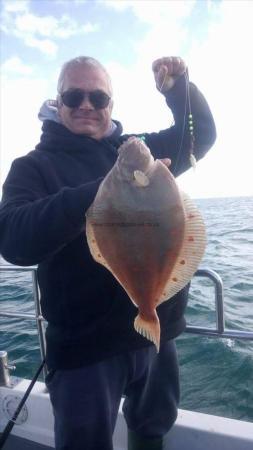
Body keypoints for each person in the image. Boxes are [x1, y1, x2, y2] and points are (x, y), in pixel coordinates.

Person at [0, 56, 216, 450]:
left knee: (152, 427)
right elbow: (14, 240)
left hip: (155, 331)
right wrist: (100, 193)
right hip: (86, 346)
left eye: (98, 97)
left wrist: (179, 89)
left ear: (110, 105)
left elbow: (199, 135)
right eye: (74, 95)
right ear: (58, 101)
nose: (87, 104)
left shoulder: (136, 153)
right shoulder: (33, 167)